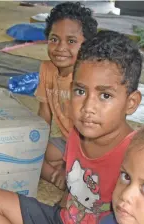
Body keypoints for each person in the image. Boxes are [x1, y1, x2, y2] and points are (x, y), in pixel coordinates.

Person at [0, 30, 143, 224]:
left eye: (105, 96)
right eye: (80, 91)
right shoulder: (78, 133)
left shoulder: (137, 156)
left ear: (131, 102)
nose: (88, 107)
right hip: (65, 222)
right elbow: (71, 190)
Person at [36, 2, 98, 189]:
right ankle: (63, 178)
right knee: (30, 156)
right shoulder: (46, 69)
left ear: (85, 45)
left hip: (89, 143)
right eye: (54, 39)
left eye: (71, 41)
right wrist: (35, 145)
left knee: (95, 172)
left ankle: (66, 176)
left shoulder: (86, 78)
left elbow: (86, 130)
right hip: (66, 140)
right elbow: (44, 112)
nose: (60, 47)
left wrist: (67, 163)